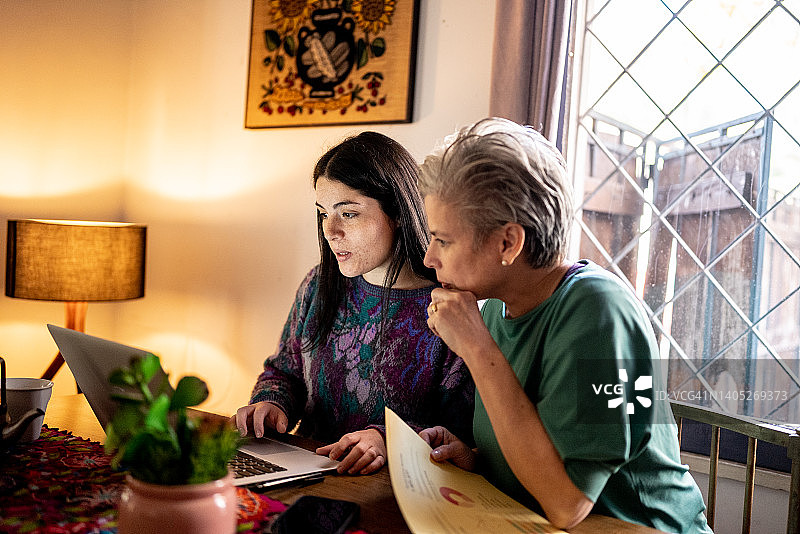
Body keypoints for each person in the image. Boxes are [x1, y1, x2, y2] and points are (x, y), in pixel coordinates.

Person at [417, 118, 712, 533]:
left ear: (508, 243)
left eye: (443, 240)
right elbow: (538, 448)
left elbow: (567, 504)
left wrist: (480, 352)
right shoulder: (493, 312)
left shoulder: (597, 309)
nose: (430, 258)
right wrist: (477, 459)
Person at [233, 131, 475, 476]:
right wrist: (271, 403)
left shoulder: (450, 307)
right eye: (323, 213)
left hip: (397, 491)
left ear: (399, 212)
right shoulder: (318, 285)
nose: (330, 230)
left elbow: (462, 435)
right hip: (305, 475)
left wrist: (386, 440)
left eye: (348, 214)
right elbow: (283, 371)